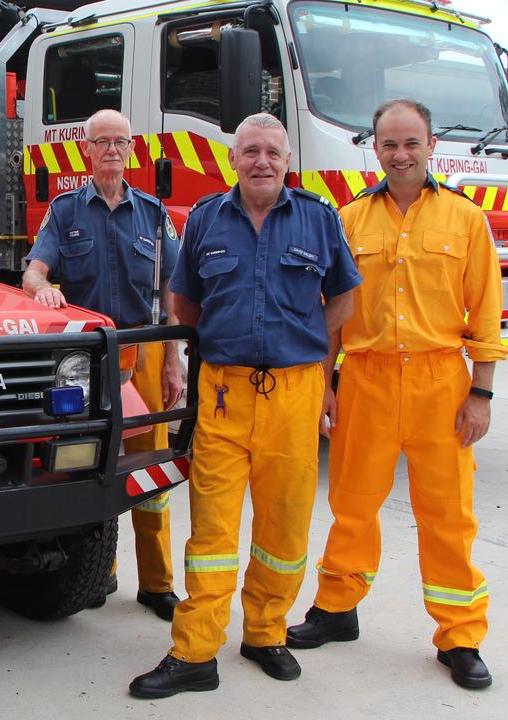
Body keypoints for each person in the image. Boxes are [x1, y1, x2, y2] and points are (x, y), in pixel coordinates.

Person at [129, 113, 360, 698]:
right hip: (226, 392)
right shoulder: (207, 218)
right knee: (212, 529)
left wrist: (302, 344)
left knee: (283, 527)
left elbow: (345, 299)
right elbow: (183, 302)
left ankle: (265, 632)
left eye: (273, 153)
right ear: (233, 159)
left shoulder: (318, 216)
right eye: (251, 151)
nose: (262, 161)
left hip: (295, 391)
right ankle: (195, 652)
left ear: (288, 161)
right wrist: (230, 346)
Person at [287, 100, 507, 690]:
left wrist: (481, 392)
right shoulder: (351, 219)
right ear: (375, 148)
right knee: (352, 505)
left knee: (449, 515)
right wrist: (326, 383)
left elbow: (486, 312)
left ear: (431, 146)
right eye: (389, 144)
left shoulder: (465, 219)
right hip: (366, 379)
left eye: (411, 143)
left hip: (441, 382)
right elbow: (332, 313)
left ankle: (460, 635)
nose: (400, 154)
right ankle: (336, 610)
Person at [23, 108, 184, 620]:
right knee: (95, 465)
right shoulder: (65, 211)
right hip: (90, 358)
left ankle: (157, 584)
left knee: (152, 470)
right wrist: (44, 289)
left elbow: (171, 290)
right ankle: (100, 572)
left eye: (121, 142)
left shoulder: (154, 215)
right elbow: (33, 272)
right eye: (102, 142)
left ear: (132, 150)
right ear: (87, 150)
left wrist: (174, 361)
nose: (111, 150)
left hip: (146, 348)